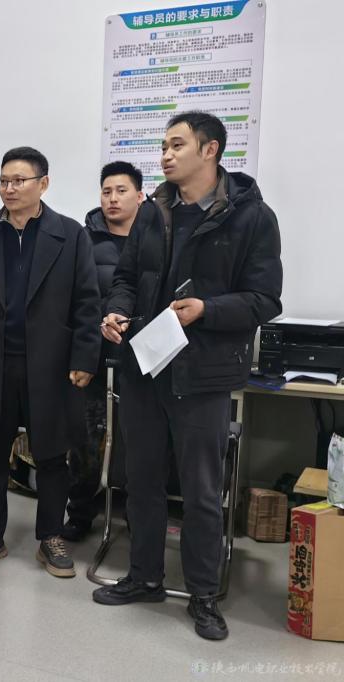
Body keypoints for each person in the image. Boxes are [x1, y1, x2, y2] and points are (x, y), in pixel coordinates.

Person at [94, 112, 283, 641]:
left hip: (204, 375)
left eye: (177, 145)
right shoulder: (153, 213)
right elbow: (126, 278)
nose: (166, 155)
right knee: (141, 481)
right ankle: (144, 577)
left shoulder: (252, 217)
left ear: (210, 150)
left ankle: (203, 595)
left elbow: (265, 299)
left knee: (201, 492)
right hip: (145, 367)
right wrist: (116, 310)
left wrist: (207, 310)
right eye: (163, 145)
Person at [0, 146, 100, 578]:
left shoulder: (70, 236)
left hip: (51, 365)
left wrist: (85, 357)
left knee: (51, 453)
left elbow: (87, 302)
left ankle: (50, 536)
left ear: (43, 184)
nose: (9, 189)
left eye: (19, 181)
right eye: (3, 181)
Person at [62, 161, 145, 542]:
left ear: (140, 196)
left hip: (140, 357)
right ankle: (80, 512)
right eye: (106, 191)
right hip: (92, 357)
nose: (112, 198)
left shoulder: (155, 238)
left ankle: (136, 515)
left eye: (121, 191)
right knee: (85, 441)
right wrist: (98, 323)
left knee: (137, 441)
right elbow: (74, 297)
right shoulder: (84, 239)